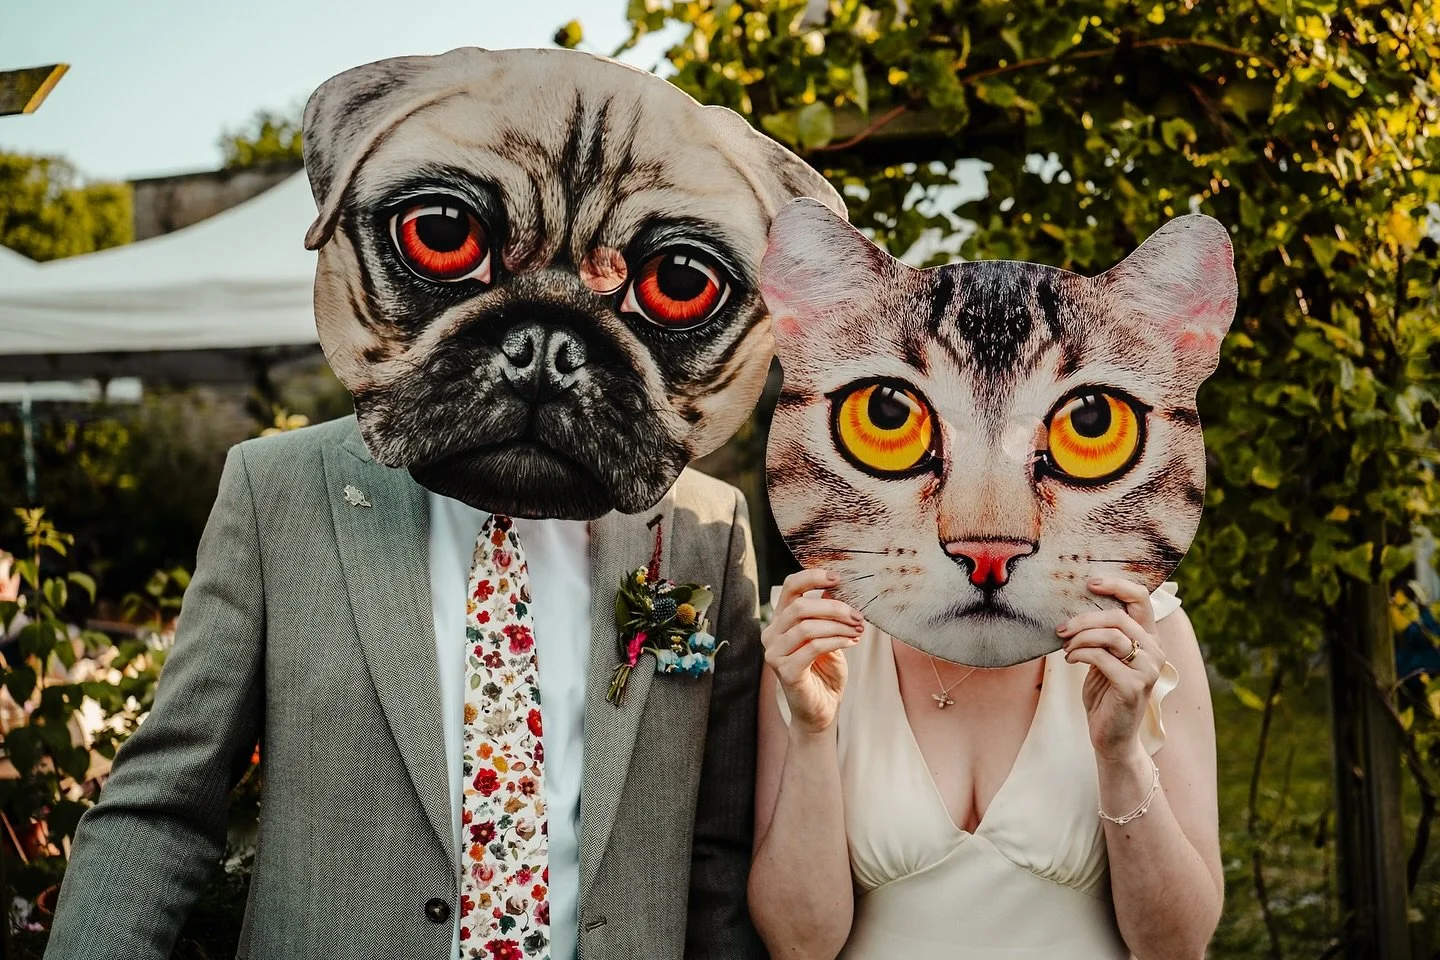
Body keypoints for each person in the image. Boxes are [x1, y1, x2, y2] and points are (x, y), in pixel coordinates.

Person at [44, 46, 846, 960]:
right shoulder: (278, 496)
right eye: (447, 239)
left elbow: (714, 851)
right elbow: (161, 811)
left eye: (676, 287)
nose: (544, 355)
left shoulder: (706, 530)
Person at [750, 568, 1221, 959]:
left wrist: (1121, 754)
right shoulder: (815, 634)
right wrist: (812, 732)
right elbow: (797, 946)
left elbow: (1178, 946)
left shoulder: (1136, 633)